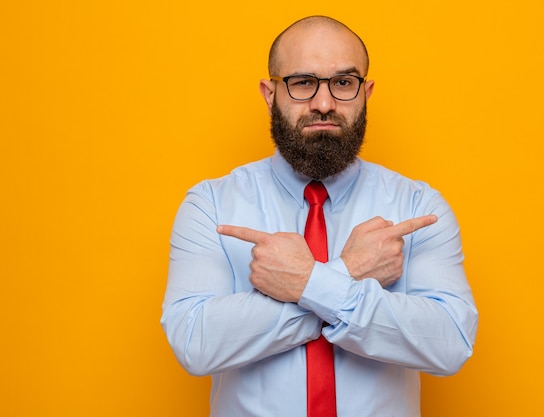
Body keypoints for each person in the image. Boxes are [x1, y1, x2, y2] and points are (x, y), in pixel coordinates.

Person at [161, 15, 478, 417]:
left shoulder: (418, 206)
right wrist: (350, 273)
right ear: (269, 92)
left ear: (366, 92)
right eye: (303, 82)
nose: (324, 104)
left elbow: (451, 344)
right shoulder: (210, 205)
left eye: (344, 83)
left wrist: (306, 283)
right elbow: (195, 344)